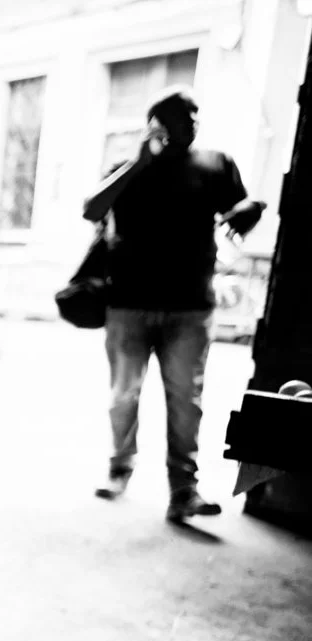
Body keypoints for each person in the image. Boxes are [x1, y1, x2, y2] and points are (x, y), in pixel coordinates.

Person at [82, 87, 265, 521]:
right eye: (183, 117)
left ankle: (184, 490)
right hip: (128, 303)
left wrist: (252, 208)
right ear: (157, 125)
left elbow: (241, 208)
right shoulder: (128, 169)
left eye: (196, 116)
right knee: (124, 394)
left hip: (189, 306)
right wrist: (139, 163)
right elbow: (92, 209)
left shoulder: (215, 164)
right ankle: (119, 468)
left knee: (186, 400)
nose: (193, 123)